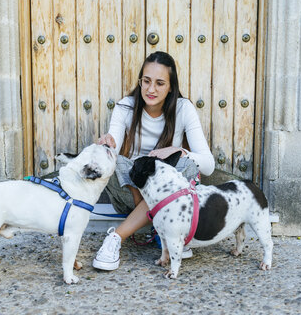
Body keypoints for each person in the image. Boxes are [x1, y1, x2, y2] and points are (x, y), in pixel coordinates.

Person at [92, 51, 215, 271]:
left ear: (170, 87)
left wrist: (179, 151)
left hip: (168, 192)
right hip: (132, 190)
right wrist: (107, 146)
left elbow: (208, 164)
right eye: (146, 81)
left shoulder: (183, 108)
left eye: (159, 83)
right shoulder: (126, 107)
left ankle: (116, 238)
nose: (151, 89)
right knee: (114, 163)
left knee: (186, 165)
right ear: (140, 81)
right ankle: (164, 229)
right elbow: (114, 148)